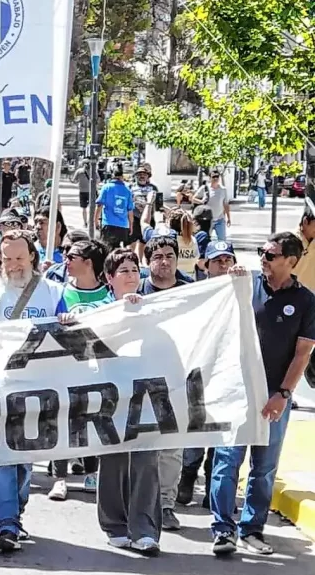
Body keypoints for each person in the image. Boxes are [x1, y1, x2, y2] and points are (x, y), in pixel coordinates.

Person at [0, 230, 74, 553]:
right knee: (3, 456)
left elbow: (69, 335)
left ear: (32, 257)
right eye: (6, 258)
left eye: (18, 257)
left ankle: (17, 510)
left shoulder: (53, 291)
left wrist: (68, 321)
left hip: (39, 390)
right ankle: (7, 524)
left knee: (24, 458)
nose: (12, 264)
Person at [210, 232, 315, 556]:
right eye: (261, 253)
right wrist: (229, 281)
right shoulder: (246, 285)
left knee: (264, 467)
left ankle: (251, 530)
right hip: (236, 391)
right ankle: (223, 529)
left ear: (291, 261)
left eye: (270, 255)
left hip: (274, 394)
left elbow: (303, 353)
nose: (262, 260)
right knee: (227, 461)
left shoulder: (306, 301)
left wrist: (283, 394)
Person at [94, 248, 162, 552]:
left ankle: (145, 530)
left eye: (135, 270)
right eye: (123, 271)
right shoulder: (98, 309)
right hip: (110, 399)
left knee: (147, 462)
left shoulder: (155, 307)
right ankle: (115, 525)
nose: (131, 276)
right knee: (113, 463)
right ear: (110, 278)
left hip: (146, 397)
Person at [45, 239, 110, 501]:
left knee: (92, 420)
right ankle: (59, 477)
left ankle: (92, 473)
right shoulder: (60, 293)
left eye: (72, 256)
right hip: (64, 367)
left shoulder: (107, 295)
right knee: (62, 421)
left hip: (97, 369)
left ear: (88, 262)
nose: (66, 261)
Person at [175, 241, 237, 511]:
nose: (223, 266)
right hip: (199, 371)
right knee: (196, 431)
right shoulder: (194, 291)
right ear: (205, 264)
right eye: (217, 261)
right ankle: (187, 478)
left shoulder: (243, 292)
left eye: (227, 260)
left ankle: (214, 488)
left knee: (221, 433)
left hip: (229, 372)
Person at [135, 234, 190, 531]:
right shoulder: (136, 292)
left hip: (177, 382)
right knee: (141, 446)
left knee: (172, 449)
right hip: (139, 381)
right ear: (148, 261)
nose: (165, 261)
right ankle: (139, 502)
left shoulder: (192, 293)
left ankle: (166, 504)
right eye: (158, 257)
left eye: (170, 255)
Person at [94, 165, 134, 249]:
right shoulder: (127, 190)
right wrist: (131, 225)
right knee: (117, 248)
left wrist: (96, 221)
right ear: (122, 176)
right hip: (122, 226)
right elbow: (130, 211)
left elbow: (99, 205)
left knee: (106, 248)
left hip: (108, 224)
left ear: (112, 176)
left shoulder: (106, 187)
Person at [193, 170, 231, 241]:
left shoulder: (223, 190)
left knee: (222, 240)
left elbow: (225, 204)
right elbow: (193, 198)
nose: (216, 178)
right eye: (214, 177)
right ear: (210, 178)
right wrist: (201, 201)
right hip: (208, 220)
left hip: (220, 219)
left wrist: (228, 218)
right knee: (205, 239)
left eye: (217, 176)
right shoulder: (205, 188)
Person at [72, 161, 92, 227]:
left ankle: (85, 222)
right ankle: (89, 222)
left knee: (84, 208)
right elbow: (98, 180)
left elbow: (74, 180)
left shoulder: (79, 171)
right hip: (90, 192)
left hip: (83, 191)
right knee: (90, 208)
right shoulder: (93, 171)